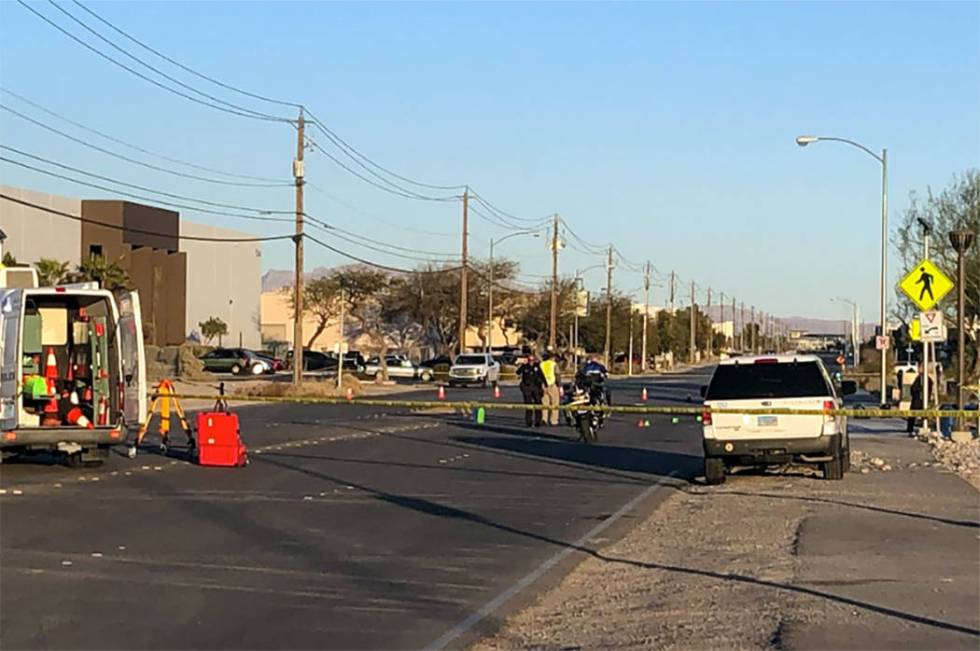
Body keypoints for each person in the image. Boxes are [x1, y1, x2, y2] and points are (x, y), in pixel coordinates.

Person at [516, 354, 544, 427]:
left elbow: (542, 376)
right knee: (528, 405)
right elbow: (518, 372)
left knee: (538, 404)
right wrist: (522, 365)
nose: (531, 362)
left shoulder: (537, 366)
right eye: (530, 360)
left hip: (536, 387)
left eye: (532, 360)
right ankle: (529, 422)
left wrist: (545, 385)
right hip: (527, 388)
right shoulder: (525, 366)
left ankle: (538, 421)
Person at [907, 363, 930, 436]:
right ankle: (910, 428)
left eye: (919, 368)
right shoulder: (919, 378)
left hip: (920, 400)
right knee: (912, 415)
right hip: (917, 399)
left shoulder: (925, 379)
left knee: (918, 414)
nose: (918, 369)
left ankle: (920, 427)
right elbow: (913, 388)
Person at [539, 352, 561, 426]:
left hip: (543, 386)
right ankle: (553, 420)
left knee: (544, 403)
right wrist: (559, 386)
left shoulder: (541, 364)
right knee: (554, 403)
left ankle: (544, 419)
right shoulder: (554, 364)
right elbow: (557, 375)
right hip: (552, 384)